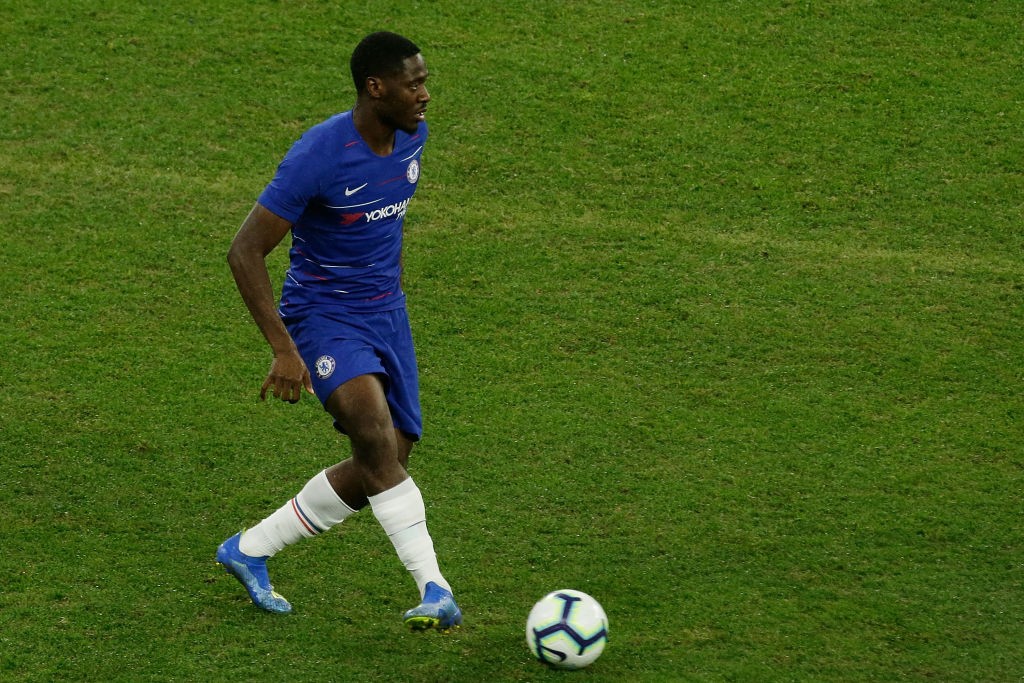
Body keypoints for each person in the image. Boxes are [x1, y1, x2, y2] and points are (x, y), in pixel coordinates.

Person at [215, 31, 461, 632]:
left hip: (386, 314)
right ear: (376, 88)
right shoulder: (319, 155)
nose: (425, 95)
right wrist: (284, 347)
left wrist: (390, 304)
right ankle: (436, 588)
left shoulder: (411, 138)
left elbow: (385, 228)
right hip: (324, 316)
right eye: (414, 83)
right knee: (377, 441)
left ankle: (248, 549)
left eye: (424, 80)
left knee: (387, 459)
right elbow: (244, 251)